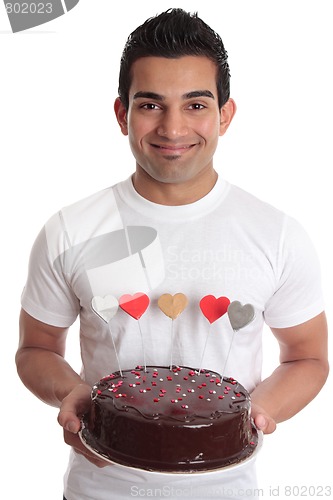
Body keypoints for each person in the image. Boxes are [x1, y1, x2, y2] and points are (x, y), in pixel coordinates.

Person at [16, 8, 328, 500]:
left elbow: (309, 356)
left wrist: (262, 409)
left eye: (197, 105)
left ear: (226, 114)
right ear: (122, 114)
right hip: (100, 488)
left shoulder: (278, 233)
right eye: (151, 104)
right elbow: (35, 349)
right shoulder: (69, 229)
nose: (173, 128)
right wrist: (70, 392)